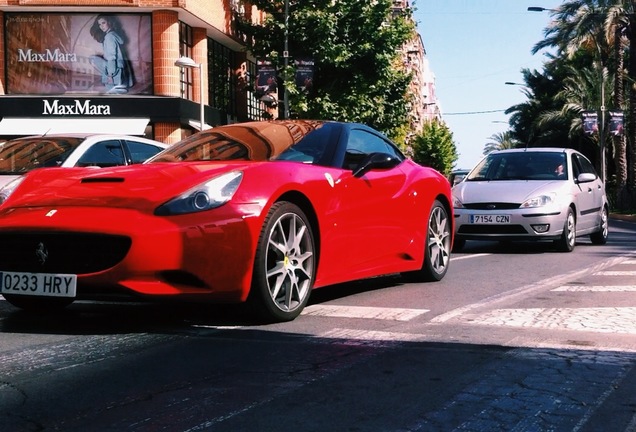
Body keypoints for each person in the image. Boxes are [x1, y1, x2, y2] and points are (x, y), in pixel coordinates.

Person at [89, 15, 133, 94]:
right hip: (120, 69)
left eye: (103, 23)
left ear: (109, 22)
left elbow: (112, 57)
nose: (101, 26)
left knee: (92, 58)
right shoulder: (114, 35)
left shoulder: (109, 37)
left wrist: (110, 75)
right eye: (99, 24)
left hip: (114, 71)